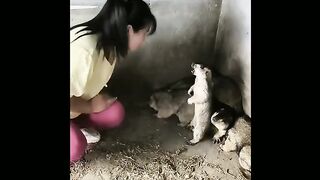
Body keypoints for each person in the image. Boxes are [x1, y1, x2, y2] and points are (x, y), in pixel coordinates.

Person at [70, 0, 157, 163]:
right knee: (75, 147)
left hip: (74, 104)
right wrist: (90, 106)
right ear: (128, 30)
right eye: (144, 33)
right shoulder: (85, 50)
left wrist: (95, 103)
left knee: (114, 112)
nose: (144, 40)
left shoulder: (111, 47)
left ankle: (77, 127)